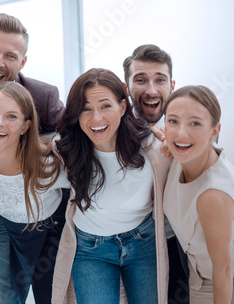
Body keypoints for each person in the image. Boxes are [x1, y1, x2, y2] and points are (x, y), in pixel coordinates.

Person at [52, 68, 170, 304]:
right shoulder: (66, 150)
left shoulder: (153, 147)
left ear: (123, 107)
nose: (96, 119)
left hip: (143, 242)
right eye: (86, 109)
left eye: (105, 106)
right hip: (91, 249)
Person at [0, 81, 69, 303]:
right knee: (8, 294)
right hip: (8, 227)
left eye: (11, 116)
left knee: (47, 296)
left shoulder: (48, 166)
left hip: (49, 233)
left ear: (25, 126)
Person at [124, 44, 190, 304]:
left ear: (172, 85)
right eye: (140, 80)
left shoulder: (190, 130)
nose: (151, 90)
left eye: (159, 80)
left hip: (176, 243)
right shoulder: (109, 128)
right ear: (126, 85)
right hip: (126, 247)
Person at [163, 85, 234, 303]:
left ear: (215, 131)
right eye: (173, 121)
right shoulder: (184, 154)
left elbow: (224, 270)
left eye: (195, 123)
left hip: (217, 284)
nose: (180, 132)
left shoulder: (212, 195)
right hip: (198, 272)